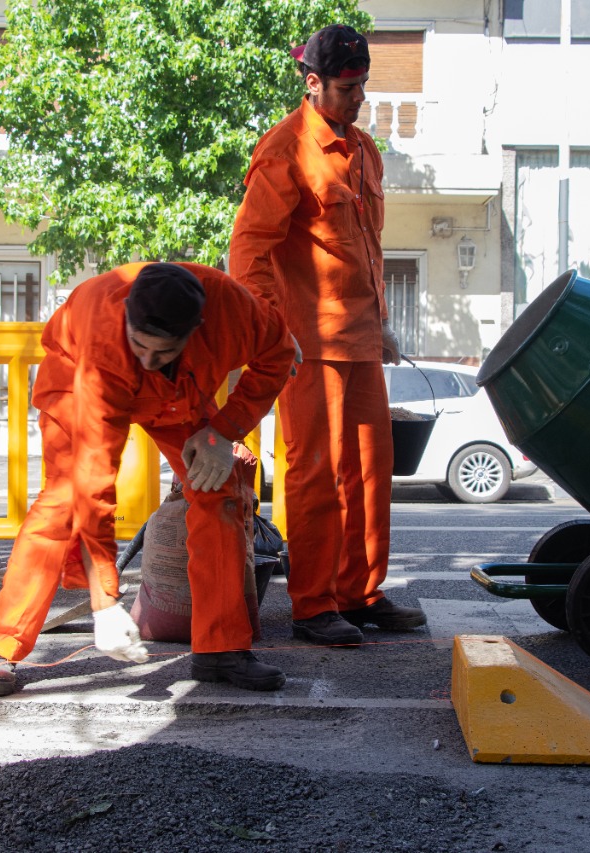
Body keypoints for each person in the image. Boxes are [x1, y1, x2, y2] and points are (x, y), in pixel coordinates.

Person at [0, 262, 296, 695]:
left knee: (218, 493)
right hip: (77, 379)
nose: (147, 361)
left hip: (179, 394)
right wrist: (104, 603)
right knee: (64, 502)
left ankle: (221, 650)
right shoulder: (105, 346)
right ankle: (1, 648)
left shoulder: (236, 313)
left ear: (196, 330)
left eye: (160, 353)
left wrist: (223, 431)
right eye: (140, 346)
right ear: (128, 317)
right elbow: (95, 481)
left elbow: (278, 355)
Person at [228, 24, 427, 647]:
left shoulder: (365, 150)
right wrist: (274, 334)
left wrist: (383, 326)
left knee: (370, 471)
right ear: (312, 83)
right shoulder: (286, 150)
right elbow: (248, 251)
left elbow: (367, 249)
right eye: (347, 87)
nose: (358, 96)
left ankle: (359, 593)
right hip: (307, 346)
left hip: (362, 338)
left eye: (364, 84)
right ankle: (314, 605)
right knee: (315, 472)